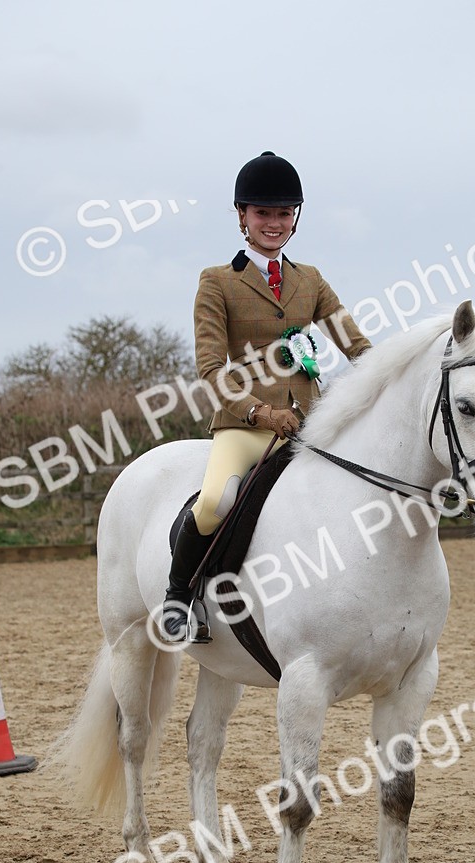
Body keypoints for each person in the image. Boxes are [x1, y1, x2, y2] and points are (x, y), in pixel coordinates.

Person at [162, 151, 371, 641]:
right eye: (263, 213)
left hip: (311, 425)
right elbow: (211, 369)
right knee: (216, 500)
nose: (273, 224)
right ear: (242, 217)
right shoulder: (217, 282)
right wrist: (259, 411)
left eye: (283, 214)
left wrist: (392, 374)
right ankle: (179, 598)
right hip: (245, 426)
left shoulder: (311, 280)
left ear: (295, 218)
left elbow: (354, 342)